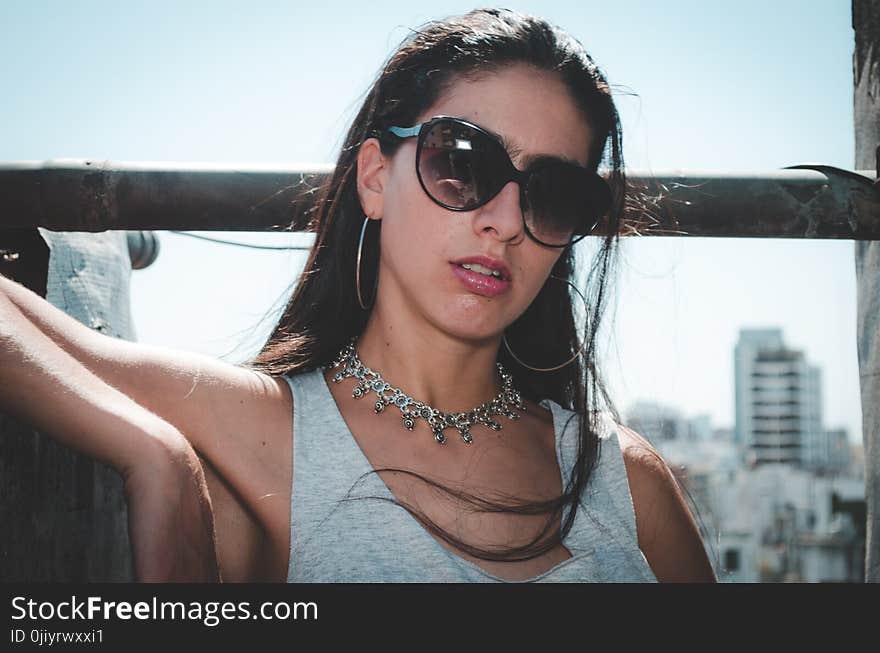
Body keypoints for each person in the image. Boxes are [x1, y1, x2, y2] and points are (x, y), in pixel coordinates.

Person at [0, 8, 716, 583]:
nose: (502, 220)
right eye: (463, 164)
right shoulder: (262, 431)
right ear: (375, 177)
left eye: (553, 193)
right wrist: (155, 453)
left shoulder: (627, 478)